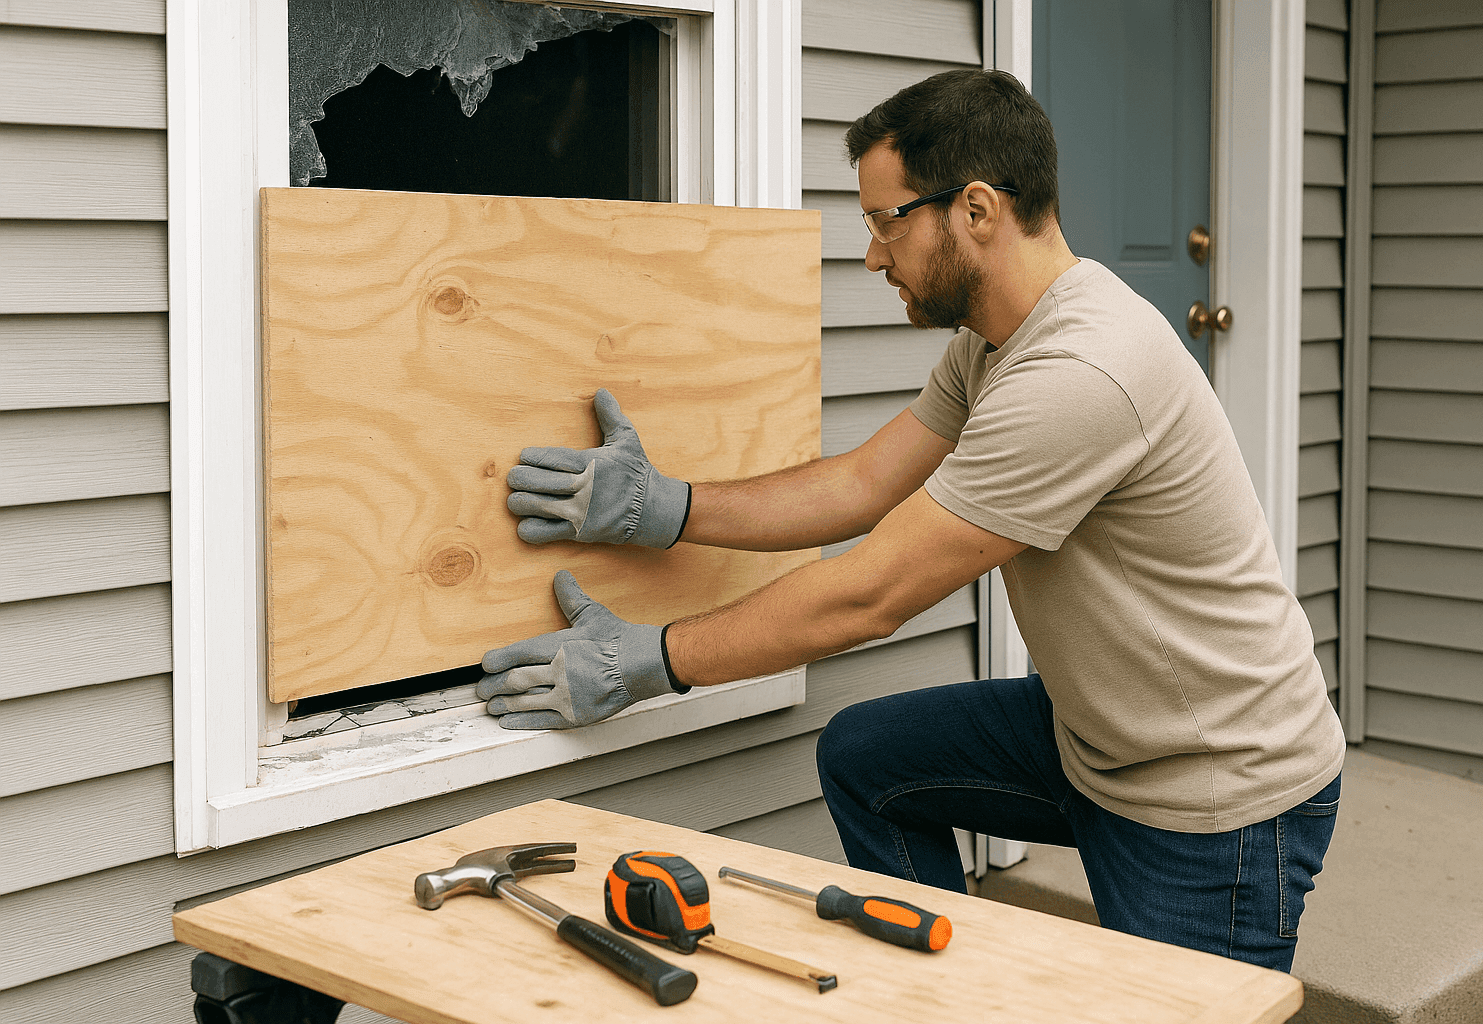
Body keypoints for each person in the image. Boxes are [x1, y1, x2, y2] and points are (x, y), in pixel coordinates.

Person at [479, 69, 1346, 973]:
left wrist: (649, 662)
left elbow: (873, 594)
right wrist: (667, 508)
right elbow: (858, 485)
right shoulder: (995, 341)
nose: (873, 255)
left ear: (975, 209)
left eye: (885, 221)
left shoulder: (1082, 375)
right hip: (1103, 737)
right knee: (872, 760)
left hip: (1215, 789)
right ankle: (946, 991)